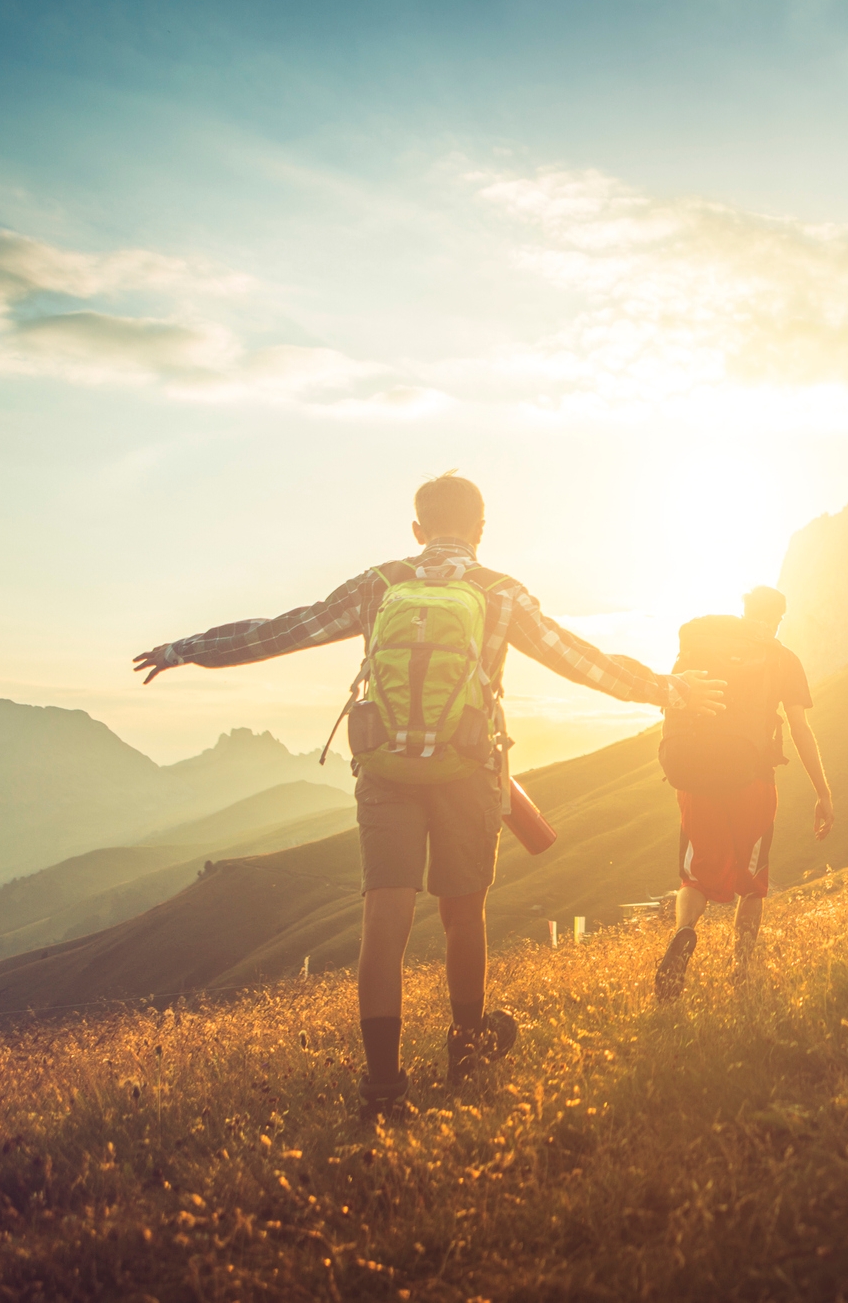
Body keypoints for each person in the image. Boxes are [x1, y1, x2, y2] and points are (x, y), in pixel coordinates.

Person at [133, 472, 720, 1119]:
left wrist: (187, 649)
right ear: (480, 531)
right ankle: (465, 1053)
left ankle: (382, 1090)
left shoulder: (378, 584)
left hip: (385, 770)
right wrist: (668, 689)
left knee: (384, 924)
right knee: (463, 916)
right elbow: (582, 661)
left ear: (417, 531)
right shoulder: (501, 593)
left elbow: (280, 632)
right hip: (467, 772)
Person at [653, 585, 833, 1000]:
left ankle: (683, 934)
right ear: (779, 617)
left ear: (745, 609)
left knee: (694, 877)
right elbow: (800, 729)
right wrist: (822, 792)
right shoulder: (783, 658)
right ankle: (743, 969)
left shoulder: (703, 645)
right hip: (753, 779)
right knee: (752, 881)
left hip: (695, 777)